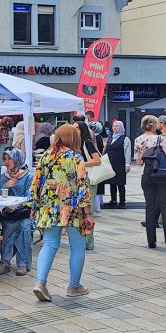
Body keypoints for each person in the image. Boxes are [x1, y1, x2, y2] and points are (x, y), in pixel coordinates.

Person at [31, 124, 93, 301]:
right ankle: (74, 286)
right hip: (73, 207)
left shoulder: (46, 156)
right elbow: (82, 185)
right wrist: (88, 213)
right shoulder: (75, 157)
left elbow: (36, 182)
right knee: (78, 245)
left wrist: (34, 205)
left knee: (49, 243)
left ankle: (40, 282)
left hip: (49, 206)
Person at [134, 116, 166, 250]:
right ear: (154, 126)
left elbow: (139, 162)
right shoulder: (160, 139)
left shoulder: (138, 140)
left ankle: (151, 241)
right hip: (161, 175)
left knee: (150, 207)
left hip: (146, 175)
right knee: (165, 206)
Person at [0, 148, 33, 275]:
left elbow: (31, 197)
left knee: (24, 227)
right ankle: (5, 262)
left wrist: (17, 205)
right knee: (7, 229)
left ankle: (23, 263)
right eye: (5, 159)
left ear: (17, 159)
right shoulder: (4, 178)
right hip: (9, 214)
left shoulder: (28, 177)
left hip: (24, 213)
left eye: (9, 158)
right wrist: (5, 187)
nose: (6, 162)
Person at [76, 121, 103, 250]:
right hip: (78, 179)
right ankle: (82, 238)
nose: (74, 131)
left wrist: (82, 164)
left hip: (88, 178)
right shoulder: (73, 144)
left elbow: (97, 160)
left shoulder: (87, 142)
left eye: (77, 128)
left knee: (88, 209)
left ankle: (89, 241)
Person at [101, 120, 131, 208]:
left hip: (120, 163)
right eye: (114, 126)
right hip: (111, 163)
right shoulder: (111, 137)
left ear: (121, 127)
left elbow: (127, 152)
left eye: (117, 126)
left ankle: (122, 202)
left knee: (120, 183)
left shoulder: (125, 138)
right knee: (112, 182)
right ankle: (113, 200)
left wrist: (127, 164)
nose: (115, 128)